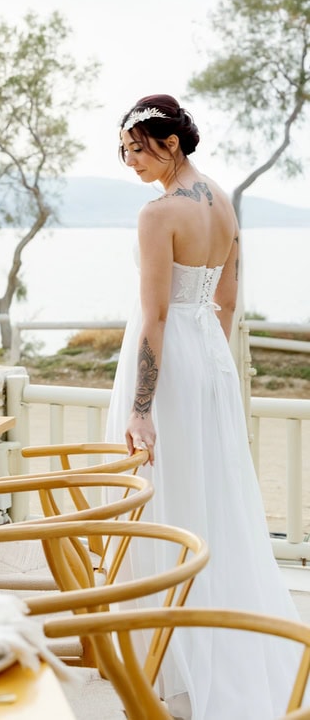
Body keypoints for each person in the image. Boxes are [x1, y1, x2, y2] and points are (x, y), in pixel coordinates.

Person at [105, 94, 305, 720]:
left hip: (170, 364)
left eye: (136, 148)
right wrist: (209, 356)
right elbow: (226, 301)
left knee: (166, 493)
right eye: (123, 151)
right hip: (210, 359)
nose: (129, 161)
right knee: (211, 493)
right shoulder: (224, 202)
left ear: (168, 144)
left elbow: (157, 315)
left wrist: (141, 408)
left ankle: (164, 653)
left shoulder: (159, 212)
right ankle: (200, 639)